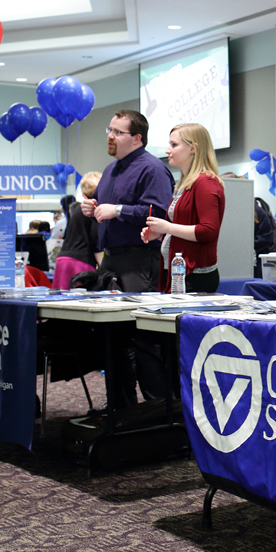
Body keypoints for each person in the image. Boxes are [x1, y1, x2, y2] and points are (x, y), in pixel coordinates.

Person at [82, 110, 175, 405]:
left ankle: (158, 410)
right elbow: (107, 207)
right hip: (111, 260)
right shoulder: (110, 170)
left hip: (139, 260)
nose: (110, 136)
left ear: (136, 138)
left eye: (117, 132)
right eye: (109, 130)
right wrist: (94, 208)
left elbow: (157, 213)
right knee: (111, 337)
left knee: (142, 337)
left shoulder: (153, 169)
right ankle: (121, 407)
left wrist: (117, 210)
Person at [142, 123, 225, 293]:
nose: (167, 150)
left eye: (174, 145)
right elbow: (186, 228)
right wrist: (161, 233)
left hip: (194, 275)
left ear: (193, 148)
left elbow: (209, 231)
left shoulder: (205, 182)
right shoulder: (186, 184)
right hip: (179, 273)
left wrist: (168, 227)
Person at [52, 171, 102, 289]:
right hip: (80, 261)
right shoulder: (94, 209)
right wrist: (103, 267)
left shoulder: (78, 209)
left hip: (63, 259)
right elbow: (95, 240)